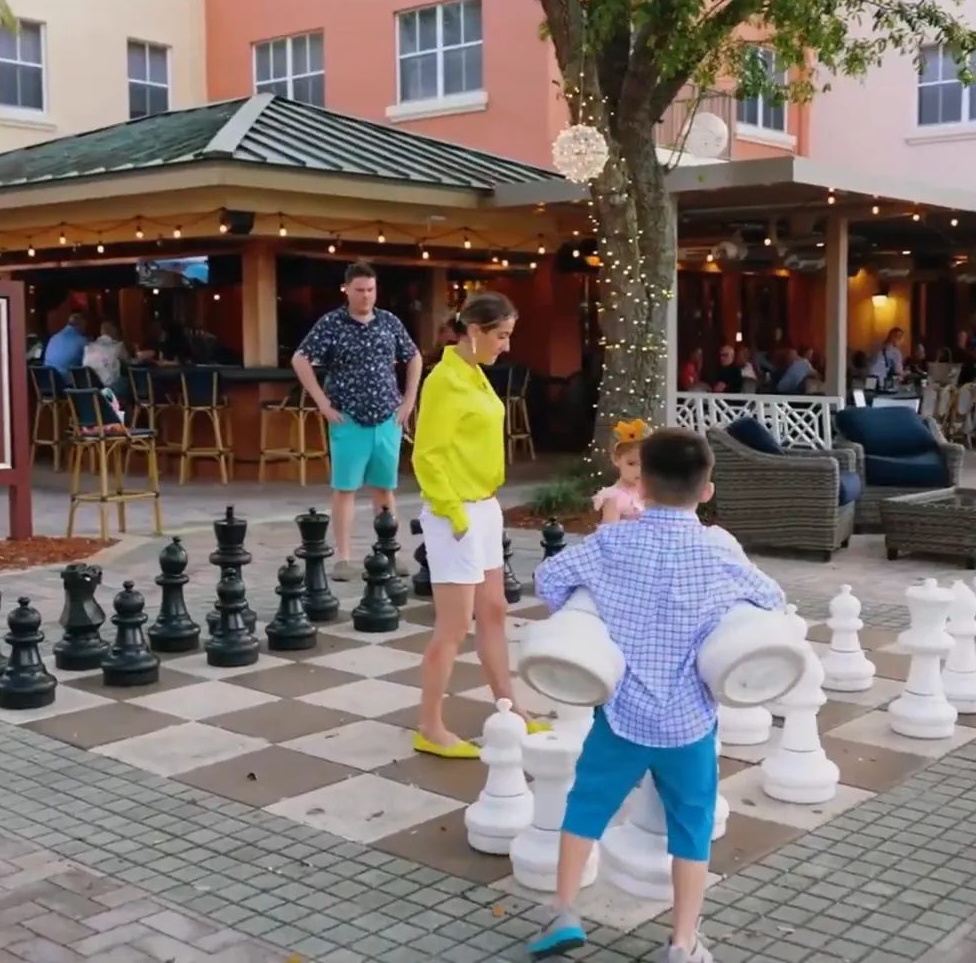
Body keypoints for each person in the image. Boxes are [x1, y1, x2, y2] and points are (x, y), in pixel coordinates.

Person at [526, 427, 788, 963]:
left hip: (622, 712)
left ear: (639, 485)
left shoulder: (612, 542)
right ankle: (683, 942)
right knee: (691, 829)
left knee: (585, 806)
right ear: (707, 490)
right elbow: (772, 599)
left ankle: (563, 911)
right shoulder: (716, 552)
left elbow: (547, 580)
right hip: (690, 720)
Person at [409, 291, 528, 758]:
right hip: (453, 512)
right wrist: (455, 514)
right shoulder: (443, 380)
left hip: (483, 506)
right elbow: (426, 455)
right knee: (454, 626)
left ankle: (511, 707)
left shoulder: (475, 374)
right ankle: (430, 726)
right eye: (501, 335)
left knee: (494, 610)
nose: (506, 345)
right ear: (474, 332)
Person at [294, 262, 423, 581]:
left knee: (385, 488)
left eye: (371, 290)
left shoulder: (389, 321)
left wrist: (409, 400)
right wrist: (322, 403)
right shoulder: (332, 323)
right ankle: (344, 557)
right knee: (345, 488)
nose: (366, 297)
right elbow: (300, 358)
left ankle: (389, 549)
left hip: (387, 416)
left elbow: (414, 356)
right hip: (348, 415)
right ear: (347, 290)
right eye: (360, 290)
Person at [594, 419, 647, 524]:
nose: (639, 470)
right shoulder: (614, 498)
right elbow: (609, 534)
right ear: (616, 459)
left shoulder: (652, 493)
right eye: (631, 463)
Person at [82, 321, 130, 391]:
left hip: (91, 391)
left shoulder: (88, 348)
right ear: (113, 331)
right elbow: (128, 362)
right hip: (110, 389)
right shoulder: (118, 346)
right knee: (128, 380)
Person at [42, 313, 89, 378]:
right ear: (79, 325)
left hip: (46, 378)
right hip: (66, 380)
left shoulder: (53, 338)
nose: (85, 329)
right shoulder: (81, 340)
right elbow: (90, 361)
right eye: (84, 325)